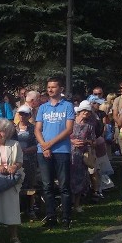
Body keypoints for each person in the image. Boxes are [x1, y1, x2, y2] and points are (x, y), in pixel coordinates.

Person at [35, 77, 75, 229]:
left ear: (61, 89)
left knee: (64, 185)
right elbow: (38, 129)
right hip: (43, 151)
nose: (50, 89)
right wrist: (44, 146)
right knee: (47, 185)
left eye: (53, 87)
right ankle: (51, 216)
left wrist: (50, 144)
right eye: (48, 87)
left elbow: (69, 129)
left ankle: (66, 217)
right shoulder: (43, 108)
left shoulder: (67, 106)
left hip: (61, 150)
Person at [70, 101, 96, 213]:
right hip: (69, 153)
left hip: (81, 155)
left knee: (80, 179)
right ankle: (67, 203)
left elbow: (93, 140)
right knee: (68, 178)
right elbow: (63, 135)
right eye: (84, 110)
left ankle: (77, 204)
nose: (86, 113)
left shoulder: (89, 125)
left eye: (88, 111)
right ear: (79, 111)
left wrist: (86, 141)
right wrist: (72, 141)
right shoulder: (71, 122)